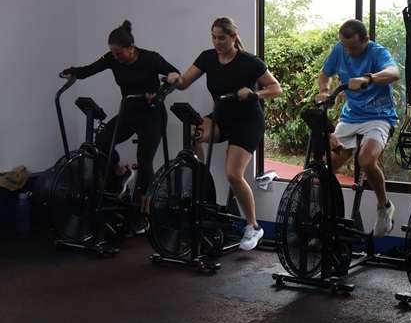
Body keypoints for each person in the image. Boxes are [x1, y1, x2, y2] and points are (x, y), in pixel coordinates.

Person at [167, 16, 282, 251]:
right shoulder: (208, 57)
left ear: (232, 38)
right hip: (222, 116)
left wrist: (254, 94)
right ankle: (201, 182)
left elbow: (275, 88)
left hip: (248, 122)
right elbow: (184, 82)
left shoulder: (249, 62)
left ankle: (253, 226)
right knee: (192, 133)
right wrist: (174, 79)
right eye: (214, 37)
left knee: (233, 174)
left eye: (221, 38)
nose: (217, 42)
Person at [62, 20, 180, 234]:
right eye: (113, 54)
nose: (115, 57)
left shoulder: (150, 58)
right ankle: (120, 172)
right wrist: (73, 72)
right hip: (129, 111)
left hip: (152, 113)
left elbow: (174, 74)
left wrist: (168, 80)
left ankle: (144, 214)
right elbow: (89, 69)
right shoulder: (112, 59)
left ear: (131, 48)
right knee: (101, 143)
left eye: (119, 53)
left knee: (145, 161)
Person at [316, 19, 401, 237]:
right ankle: (328, 218)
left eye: (353, 47)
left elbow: (394, 73)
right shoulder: (340, 50)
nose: (349, 52)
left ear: (365, 41)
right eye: (345, 47)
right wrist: (325, 90)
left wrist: (368, 78)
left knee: (366, 160)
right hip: (352, 116)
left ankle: (384, 206)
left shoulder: (376, 52)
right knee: (326, 168)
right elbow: (325, 73)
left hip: (378, 117)